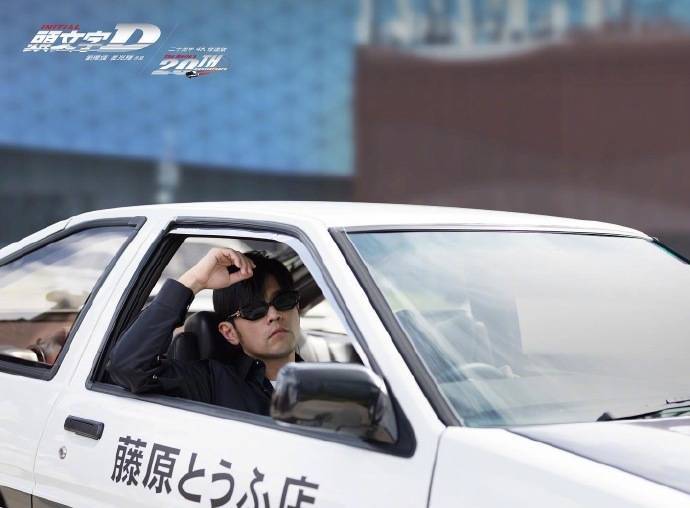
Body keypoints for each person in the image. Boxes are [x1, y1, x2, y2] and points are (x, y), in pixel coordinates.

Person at [107, 248, 302, 416]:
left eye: (283, 301)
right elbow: (130, 367)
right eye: (255, 310)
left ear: (297, 307)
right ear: (229, 332)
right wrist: (195, 280)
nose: (274, 315)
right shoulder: (212, 383)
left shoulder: (321, 379)